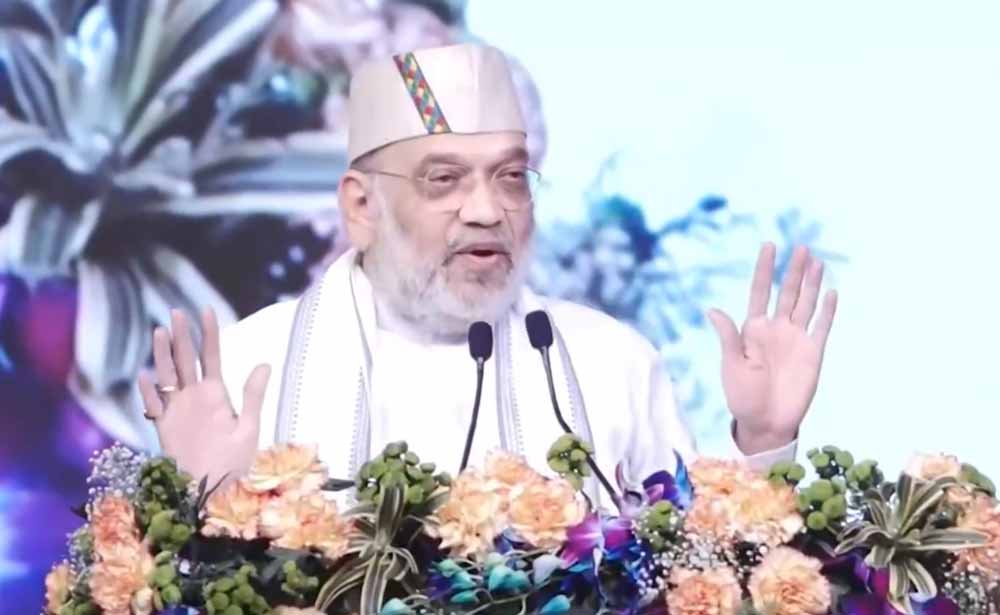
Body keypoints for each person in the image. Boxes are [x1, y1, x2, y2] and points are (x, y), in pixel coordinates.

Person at [138, 43, 837, 506]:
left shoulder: (611, 362)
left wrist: (762, 441)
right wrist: (202, 509)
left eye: (511, 178)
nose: (486, 210)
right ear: (361, 206)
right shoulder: (250, 368)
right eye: (444, 180)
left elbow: (698, 575)